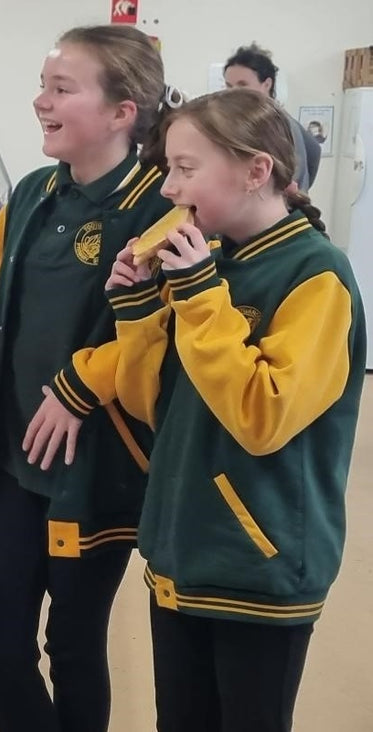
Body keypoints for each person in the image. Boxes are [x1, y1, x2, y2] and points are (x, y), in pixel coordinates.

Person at [0, 25, 176, 732]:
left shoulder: (158, 209)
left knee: (70, 644)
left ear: (122, 111)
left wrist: (77, 387)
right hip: (14, 456)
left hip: (98, 469)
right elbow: (4, 302)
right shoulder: (34, 192)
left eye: (61, 89)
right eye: (43, 85)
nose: (39, 101)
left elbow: (158, 341)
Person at [106, 88, 365, 732]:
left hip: (260, 564)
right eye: (169, 168)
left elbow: (261, 417)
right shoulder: (211, 264)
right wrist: (140, 313)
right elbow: (151, 408)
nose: (168, 189)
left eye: (186, 169)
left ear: (256, 171)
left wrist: (198, 297)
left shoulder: (316, 275)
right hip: (183, 550)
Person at [223, 44, 321, 191]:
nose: (233, 93)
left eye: (242, 85)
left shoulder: (277, 124)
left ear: (267, 84)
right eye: (229, 86)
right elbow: (314, 149)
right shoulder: (242, 120)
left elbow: (309, 156)